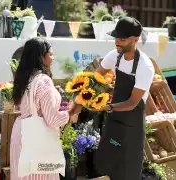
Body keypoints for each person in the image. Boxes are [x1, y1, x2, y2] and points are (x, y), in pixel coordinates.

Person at [93, 17, 155, 180]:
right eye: (116, 37)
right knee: (107, 166)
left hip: (132, 126)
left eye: (122, 38)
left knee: (128, 172)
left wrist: (107, 107)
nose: (117, 42)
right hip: (114, 123)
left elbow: (132, 103)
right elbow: (95, 77)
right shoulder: (114, 56)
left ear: (135, 40)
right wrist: (85, 97)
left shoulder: (145, 66)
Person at [10, 38, 77, 180]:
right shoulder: (43, 80)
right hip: (37, 137)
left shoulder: (23, 79)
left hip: (20, 133)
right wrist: (71, 112)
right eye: (50, 54)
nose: (53, 58)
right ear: (41, 56)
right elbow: (52, 119)